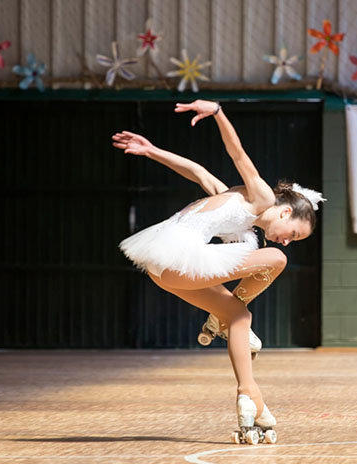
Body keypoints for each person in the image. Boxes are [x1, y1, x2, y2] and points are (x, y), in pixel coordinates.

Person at [112, 99, 325, 442]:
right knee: (276, 260)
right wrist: (218, 113)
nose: (289, 240)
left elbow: (197, 172)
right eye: (295, 234)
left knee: (239, 315)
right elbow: (237, 153)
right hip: (180, 252)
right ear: (285, 213)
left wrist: (152, 151)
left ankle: (248, 393)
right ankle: (218, 323)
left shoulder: (235, 206)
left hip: (164, 270)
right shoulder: (263, 197)